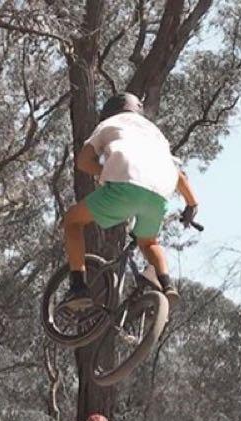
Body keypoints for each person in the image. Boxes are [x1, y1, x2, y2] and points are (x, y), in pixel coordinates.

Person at [60, 92, 200, 310]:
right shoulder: (155, 133)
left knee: (72, 221)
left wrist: (107, 172)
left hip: (125, 186)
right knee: (149, 242)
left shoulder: (110, 123)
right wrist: (192, 205)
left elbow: (83, 162)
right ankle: (166, 284)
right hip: (160, 193)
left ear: (110, 111)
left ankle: (78, 287)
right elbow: (179, 176)